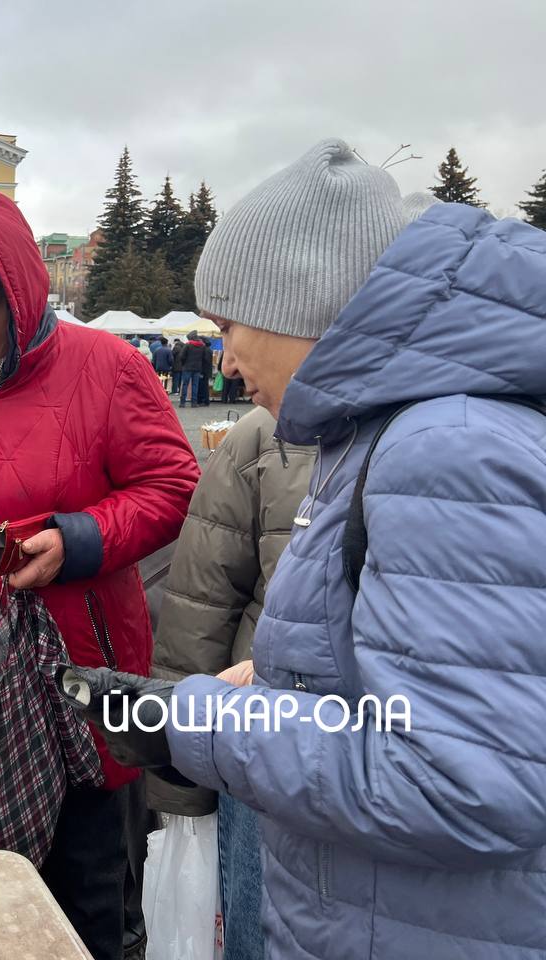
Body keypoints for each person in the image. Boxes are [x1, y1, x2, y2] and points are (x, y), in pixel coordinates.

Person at [67, 140, 546, 959]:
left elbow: (464, 779)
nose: (224, 360)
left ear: (302, 301)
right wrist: (294, 676)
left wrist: (190, 721)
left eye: (228, 325)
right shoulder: (392, 431)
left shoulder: (443, 449)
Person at [0, 191, 200, 960]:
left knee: (87, 913)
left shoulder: (108, 366)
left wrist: (79, 539)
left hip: (81, 698)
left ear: (13, 290)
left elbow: (173, 486)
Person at [145, 405, 314, 960]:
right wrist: (181, 780)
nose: (232, 364)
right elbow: (202, 605)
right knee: (254, 935)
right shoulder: (261, 435)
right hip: (257, 758)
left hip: (371, 764)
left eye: (232, 332)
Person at [178, 331, 207, 407]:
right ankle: (194, 403)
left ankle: (182, 402)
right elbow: (204, 358)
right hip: (197, 368)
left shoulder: (187, 345)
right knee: (195, 385)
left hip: (187, 367)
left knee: (185, 385)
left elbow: (181, 356)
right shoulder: (202, 346)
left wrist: (184, 363)